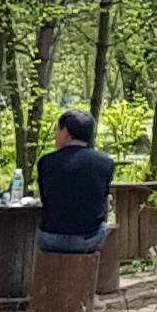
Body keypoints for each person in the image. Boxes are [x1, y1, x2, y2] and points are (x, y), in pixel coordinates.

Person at [35, 107, 116, 256]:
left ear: (66, 132)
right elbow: (102, 198)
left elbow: (45, 198)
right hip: (88, 239)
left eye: (57, 130)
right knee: (105, 225)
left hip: (50, 238)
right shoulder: (105, 162)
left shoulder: (46, 162)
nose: (55, 135)